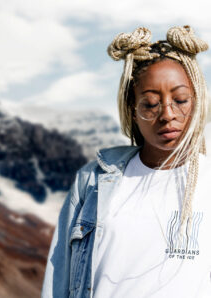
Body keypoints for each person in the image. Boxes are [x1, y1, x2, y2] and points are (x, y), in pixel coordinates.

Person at [42, 25, 211, 298]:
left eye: (180, 99)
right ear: (132, 111)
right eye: (150, 104)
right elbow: (58, 277)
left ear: (198, 101)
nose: (167, 113)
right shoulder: (93, 181)